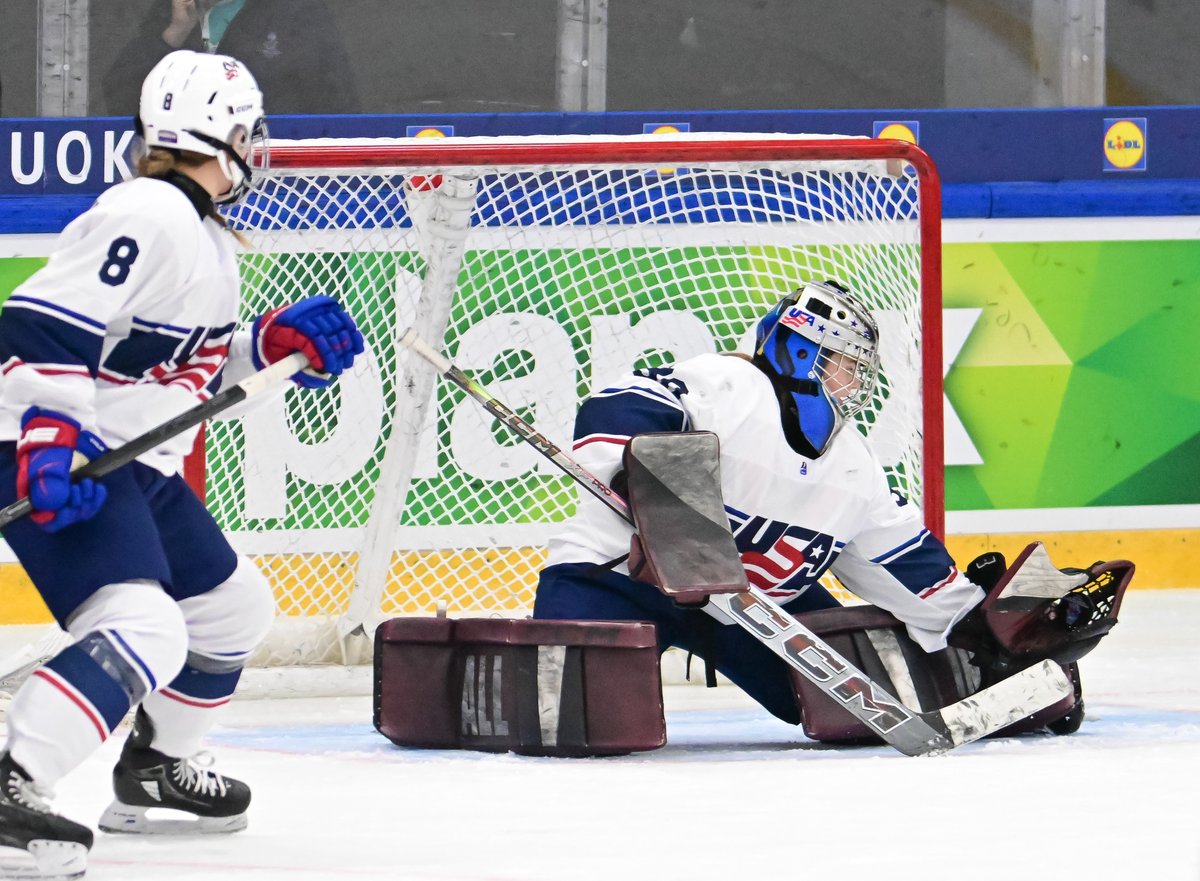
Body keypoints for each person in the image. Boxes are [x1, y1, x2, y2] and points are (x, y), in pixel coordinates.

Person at [0, 49, 363, 878]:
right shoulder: (149, 212)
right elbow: (40, 323)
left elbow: (170, 363)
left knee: (231, 611)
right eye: (249, 133)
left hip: (131, 463)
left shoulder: (199, 234)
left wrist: (265, 345)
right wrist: (51, 438)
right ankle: (13, 782)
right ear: (231, 135)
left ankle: (153, 771)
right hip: (61, 455)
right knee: (143, 627)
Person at [533, 279, 1114, 738]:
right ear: (800, 349)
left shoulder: (855, 469)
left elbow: (907, 566)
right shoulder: (731, 386)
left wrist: (990, 631)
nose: (855, 381)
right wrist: (639, 477)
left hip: (755, 610)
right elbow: (623, 403)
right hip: (613, 578)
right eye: (846, 363)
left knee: (850, 708)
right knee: (579, 724)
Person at [100, 0, 360, 117]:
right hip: (189, 180)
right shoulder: (169, 11)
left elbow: (339, 107)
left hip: (271, 186)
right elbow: (121, 99)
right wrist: (174, 33)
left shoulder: (297, 12)